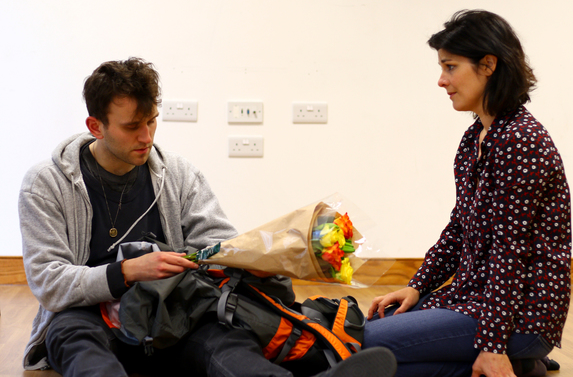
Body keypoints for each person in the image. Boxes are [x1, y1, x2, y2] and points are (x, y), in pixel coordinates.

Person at [19, 58, 397, 377]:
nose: (146, 136)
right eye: (132, 126)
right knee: (75, 340)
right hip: (88, 315)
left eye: (151, 121)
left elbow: (217, 243)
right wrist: (129, 271)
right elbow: (49, 282)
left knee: (225, 338)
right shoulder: (46, 183)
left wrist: (261, 260)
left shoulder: (179, 174)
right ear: (95, 126)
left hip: (171, 309)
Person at [363, 10, 571, 377]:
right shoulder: (475, 137)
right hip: (475, 298)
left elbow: (510, 252)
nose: (442, 81)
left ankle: (515, 361)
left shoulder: (520, 141)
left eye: (450, 67)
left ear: (488, 64)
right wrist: (417, 287)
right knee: (363, 331)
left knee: (366, 344)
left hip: (521, 318)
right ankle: (524, 367)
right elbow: (460, 228)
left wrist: (492, 347)